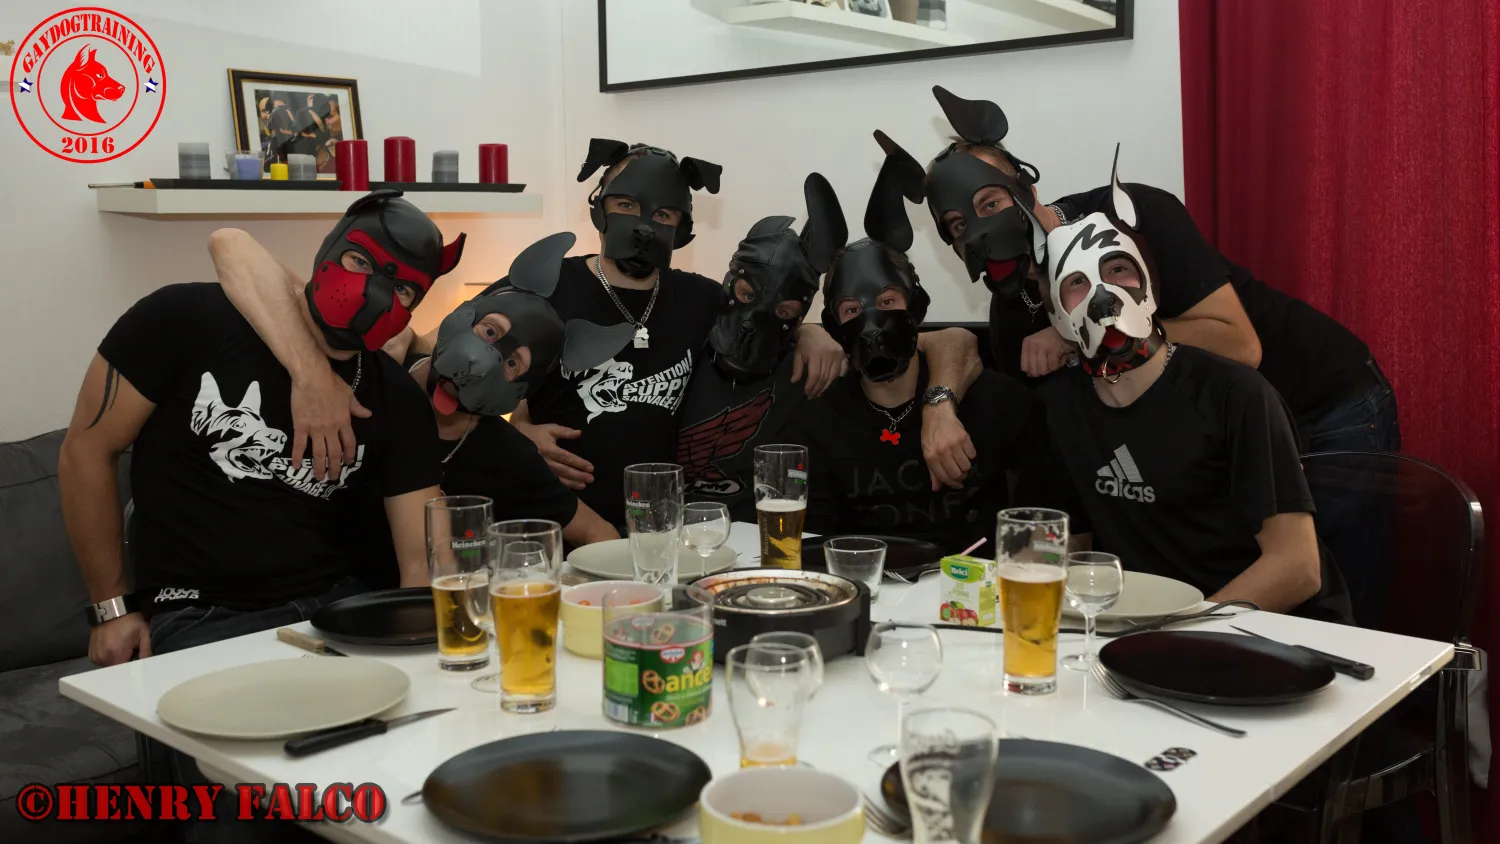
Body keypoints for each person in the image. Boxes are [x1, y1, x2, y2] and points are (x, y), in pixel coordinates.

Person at [60, 189, 462, 668]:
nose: (373, 294)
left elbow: (422, 561)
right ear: (330, 248)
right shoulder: (184, 320)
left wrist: (424, 653)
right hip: (202, 615)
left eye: (403, 291)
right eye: (359, 261)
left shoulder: (394, 396)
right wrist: (110, 609)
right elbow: (86, 450)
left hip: (337, 607)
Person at [888, 86, 1396, 455]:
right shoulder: (1014, 312)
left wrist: (1074, 335)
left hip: (1326, 403)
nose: (979, 230)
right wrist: (937, 407)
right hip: (1225, 445)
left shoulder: (1130, 217)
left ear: (1027, 188)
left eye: (991, 202)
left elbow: (1240, 344)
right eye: (958, 225)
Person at [1021, 154, 1351, 622]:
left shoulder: (1235, 396)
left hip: (1272, 632)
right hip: (1148, 630)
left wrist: (1184, 632)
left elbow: (1297, 569)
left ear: (1149, 287)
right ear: (1054, 311)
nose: (1104, 295)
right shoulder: (1059, 410)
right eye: (1077, 282)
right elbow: (1067, 548)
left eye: (1118, 269)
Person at [211, 228, 627, 552]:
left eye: (512, 363)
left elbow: (600, 534)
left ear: (521, 389)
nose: (483, 361)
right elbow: (234, 245)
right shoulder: (371, 366)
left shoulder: (504, 452)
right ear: (463, 316)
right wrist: (315, 377)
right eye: (488, 331)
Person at [507, 140, 848, 529]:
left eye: (663, 213)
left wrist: (811, 332)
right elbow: (460, 374)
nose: (642, 225)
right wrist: (518, 435)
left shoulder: (701, 299)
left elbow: (762, 315)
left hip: (660, 529)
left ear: (681, 227)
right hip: (559, 522)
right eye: (625, 205)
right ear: (599, 207)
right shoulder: (545, 288)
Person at [677, 173, 985, 522]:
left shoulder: (811, 373)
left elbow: (955, 340)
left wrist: (939, 403)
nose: (752, 322)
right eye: (747, 294)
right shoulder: (684, 340)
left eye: (783, 311)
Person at [783, 159, 1044, 553]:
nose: (872, 321)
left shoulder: (994, 402)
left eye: (888, 301)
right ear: (834, 325)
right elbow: (811, 544)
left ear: (915, 308)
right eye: (852, 309)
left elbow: (1045, 522)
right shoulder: (817, 421)